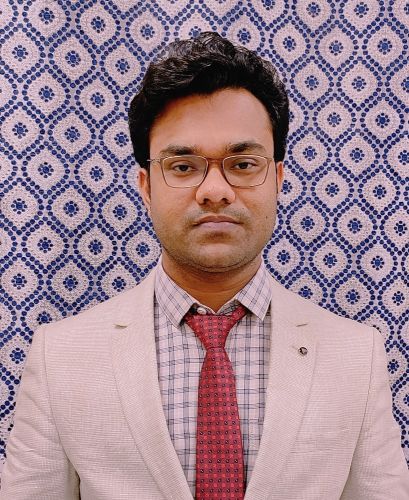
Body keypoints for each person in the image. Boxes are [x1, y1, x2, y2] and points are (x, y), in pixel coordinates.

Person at [1, 32, 408, 500]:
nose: (215, 190)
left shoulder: (356, 356)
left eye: (243, 164)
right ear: (146, 186)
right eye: (183, 166)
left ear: (277, 178)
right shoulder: (61, 357)